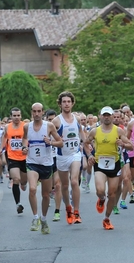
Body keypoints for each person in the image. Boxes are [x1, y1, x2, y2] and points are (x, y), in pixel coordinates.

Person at [85, 106, 134, 230]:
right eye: (104, 115)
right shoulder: (95, 131)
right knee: (100, 190)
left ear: (112, 116)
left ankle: (106, 218)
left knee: (112, 194)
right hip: (99, 164)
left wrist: (123, 144)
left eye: (109, 115)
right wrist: (90, 155)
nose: (106, 117)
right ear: (101, 116)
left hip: (114, 163)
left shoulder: (118, 131)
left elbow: (131, 146)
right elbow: (85, 143)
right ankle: (101, 199)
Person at [22, 103, 63, 233]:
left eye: (39, 111)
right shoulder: (27, 127)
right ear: (31, 112)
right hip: (32, 163)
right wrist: (24, 147)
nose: (37, 114)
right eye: (34, 111)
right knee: (32, 189)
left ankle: (43, 219)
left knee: (46, 195)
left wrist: (50, 142)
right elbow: (24, 139)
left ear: (42, 112)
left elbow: (60, 142)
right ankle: (35, 217)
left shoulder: (49, 126)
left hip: (46, 164)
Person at [52, 91, 87, 224]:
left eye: (68, 102)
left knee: (74, 181)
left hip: (75, 154)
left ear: (72, 103)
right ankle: (68, 208)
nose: (66, 104)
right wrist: (54, 140)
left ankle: (77, 212)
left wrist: (87, 143)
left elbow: (81, 133)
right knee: (64, 186)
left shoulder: (76, 118)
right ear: (60, 104)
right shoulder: (56, 121)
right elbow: (51, 136)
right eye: (64, 102)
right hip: (62, 156)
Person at [0, 108, 28, 214]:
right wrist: (1, 148)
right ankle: (18, 204)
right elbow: (4, 138)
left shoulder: (25, 126)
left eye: (18, 115)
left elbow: (29, 138)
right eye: (14, 116)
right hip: (12, 157)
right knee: (16, 179)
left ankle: (24, 184)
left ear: (21, 116)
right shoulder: (7, 127)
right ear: (11, 117)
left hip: (24, 157)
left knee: (23, 181)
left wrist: (26, 147)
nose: (16, 117)